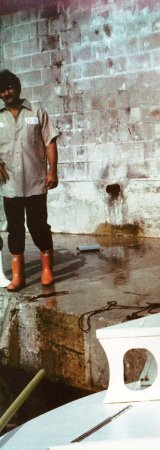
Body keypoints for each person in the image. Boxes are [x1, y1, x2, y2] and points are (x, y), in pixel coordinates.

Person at [0, 70, 59, 291]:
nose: (7, 92)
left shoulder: (36, 111)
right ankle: (18, 277)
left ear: (17, 87)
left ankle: (47, 271)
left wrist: (52, 171)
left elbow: (50, 142)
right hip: (10, 186)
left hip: (35, 182)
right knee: (14, 230)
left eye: (10, 87)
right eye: (2, 90)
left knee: (38, 227)